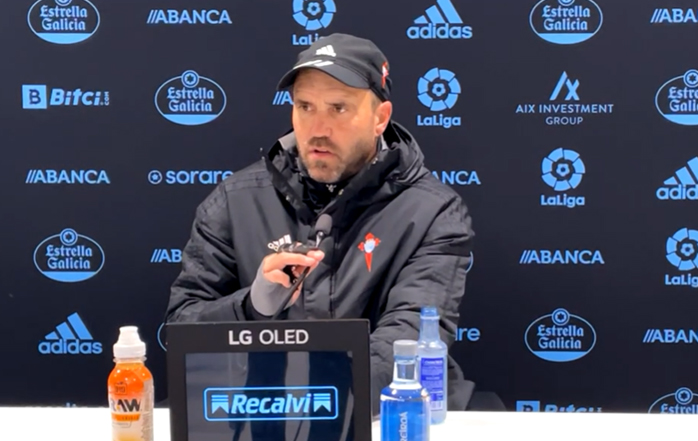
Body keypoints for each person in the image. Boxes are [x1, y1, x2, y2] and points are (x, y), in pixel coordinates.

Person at [164, 33, 475, 417]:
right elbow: (182, 331)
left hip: (380, 415)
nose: (318, 128)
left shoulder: (432, 212)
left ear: (380, 118)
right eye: (305, 107)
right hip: (259, 414)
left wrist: (307, 398)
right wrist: (251, 306)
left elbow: (409, 341)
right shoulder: (235, 200)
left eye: (338, 108)